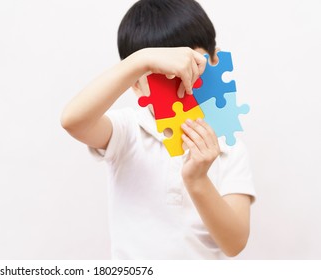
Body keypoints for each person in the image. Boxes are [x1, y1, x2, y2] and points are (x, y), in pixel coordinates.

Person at [60, 0, 255, 259]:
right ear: (136, 86)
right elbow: (73, 121)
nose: (182, 86)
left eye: (192, 67)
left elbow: (235, 242)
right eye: (160, 76)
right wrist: (141, 61)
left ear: (215, 60)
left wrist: (198, 180)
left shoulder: (229, 147)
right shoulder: (127, 131)